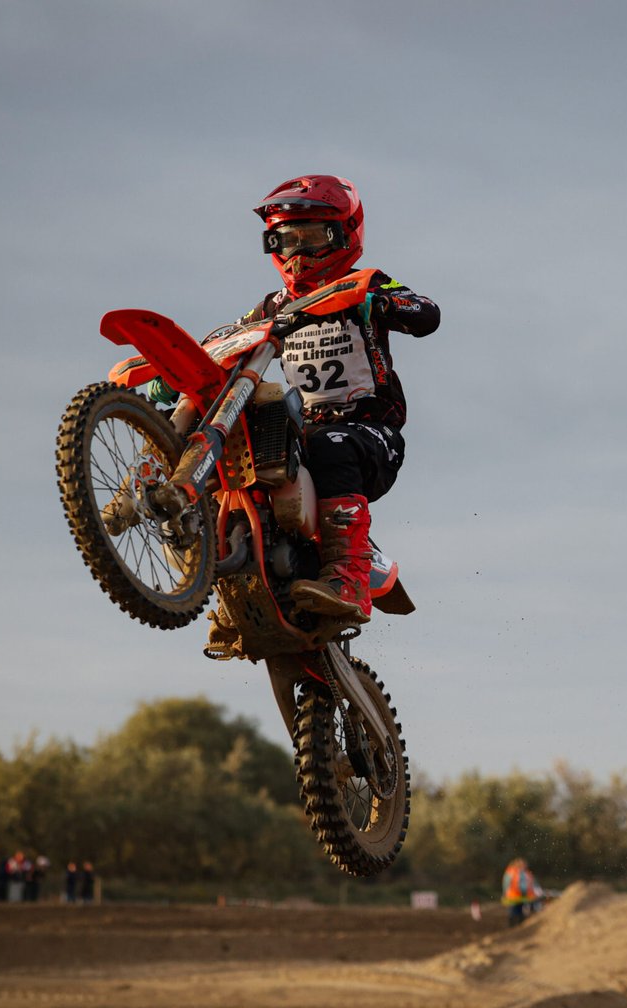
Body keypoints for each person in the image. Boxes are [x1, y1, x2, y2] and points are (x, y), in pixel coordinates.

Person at [175, 175, 439, 653]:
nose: (298, 253)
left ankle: (349, 577)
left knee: (329, 445)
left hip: (369, 431)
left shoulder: (363, 283)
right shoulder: (273, 306)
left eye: (312, 237)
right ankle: (237, 592)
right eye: (286, 240)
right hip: (302, 431)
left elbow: (426, 312)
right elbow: (230, 337)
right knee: (243, 456)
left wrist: (381, 301)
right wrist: (180, 367)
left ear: (343, 235)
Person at [501, 857, 539, 927]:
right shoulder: (513, 872)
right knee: (514, 910)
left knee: (518, 910)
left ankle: (518, 925)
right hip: (514, 895)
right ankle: (514, 925)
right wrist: (505, 892)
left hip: (521, 896)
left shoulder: (524, 873)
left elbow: (531, 884)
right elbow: (506, 883)